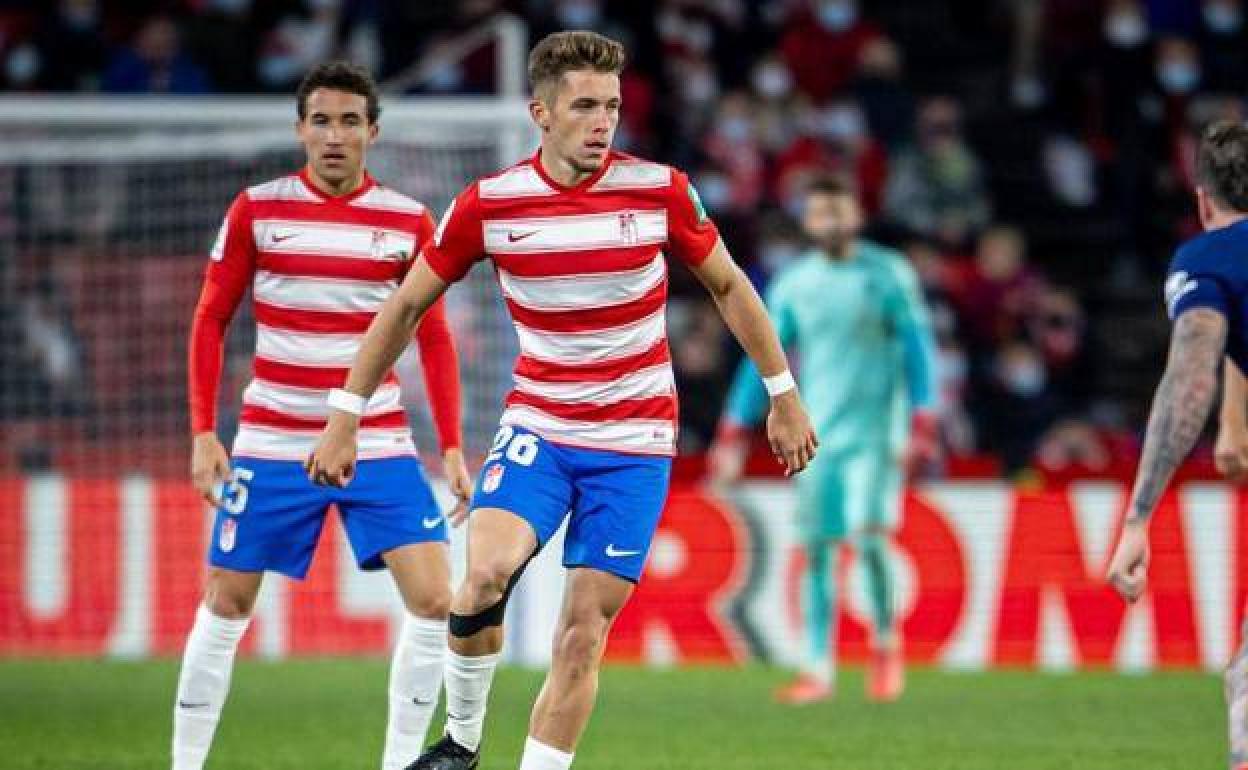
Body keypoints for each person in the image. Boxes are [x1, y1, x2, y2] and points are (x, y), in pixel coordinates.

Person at [305, 30, 817, 770]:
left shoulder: (661, 190)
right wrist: (344, 415)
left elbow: (730, 285)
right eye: (584, 106)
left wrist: (784, 395)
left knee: (581, 631)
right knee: (481, 575)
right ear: (540, 114)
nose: (602, 121)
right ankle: (462, 744)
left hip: (634, 441)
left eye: (610, 105)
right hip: (541, 426)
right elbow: (405, 305)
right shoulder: (490, 204)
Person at [175, 61, 473, 770]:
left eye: (348, 121)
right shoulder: (258, 208)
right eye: (320, 120)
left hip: (379, 441)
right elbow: (211, 318)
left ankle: (401, 764)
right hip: (274, 439)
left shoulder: (407, 220)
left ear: (371, 132)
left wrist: (455, 445)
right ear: (299, 129)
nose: (333, 135)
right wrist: (202, 432)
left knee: (437, 601)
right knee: (226, 603)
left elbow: (432, 335)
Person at [711, 174, 939, 704]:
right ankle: (819, 668)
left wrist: (925, 416)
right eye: (820, 213)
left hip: (879, 433)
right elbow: (766, 355)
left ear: (856, 215)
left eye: (838, 211)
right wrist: (733, 428)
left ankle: (886, 645)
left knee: (868, 538)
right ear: (808, 221)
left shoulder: (888, 274)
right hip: (818, 434)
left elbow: (917, 347)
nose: (831, 222)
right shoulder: (795, 283)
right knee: (816, 549)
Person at [1106, 120, 1248, 770]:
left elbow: (1191, 375)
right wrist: (1236, 428)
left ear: (1201, 199)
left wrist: (1138, 517)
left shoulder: (1209, 259)